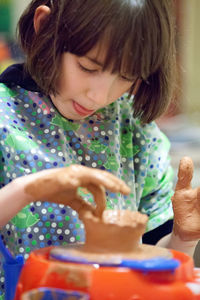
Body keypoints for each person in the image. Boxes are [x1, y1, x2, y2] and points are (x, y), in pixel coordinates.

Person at [0, 0, 200, 298]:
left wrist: (183, 238)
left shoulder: (136, 130)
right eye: (88, 67)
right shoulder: (6, 118)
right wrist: (27, 190)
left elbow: (151, 261)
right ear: (44, 27)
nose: (99, 96)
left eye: (126, 76)